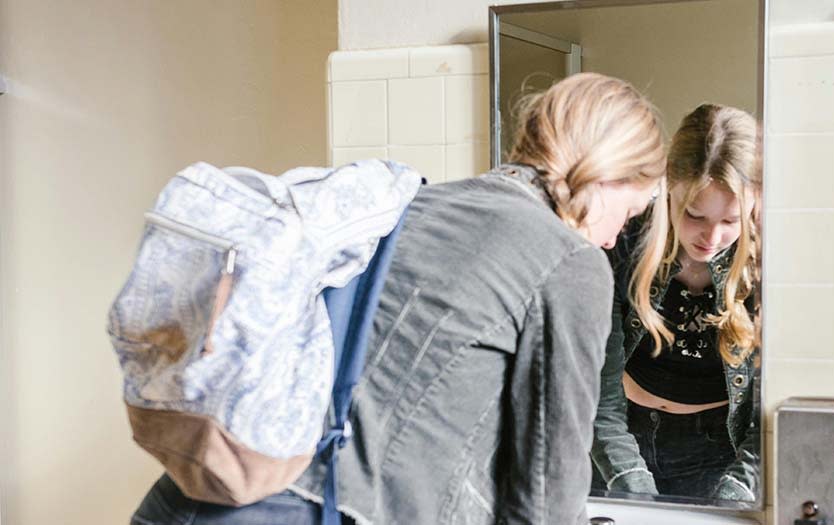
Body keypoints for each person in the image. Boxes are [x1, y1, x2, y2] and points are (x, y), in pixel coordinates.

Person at [131, 72, 670, 525]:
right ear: (606, 175)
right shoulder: (569, 260)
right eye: (629, 213)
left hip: (197, 495)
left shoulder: (409, 202)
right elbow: (548, 491)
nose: (612, 238)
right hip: (321, 512)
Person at [591, 103, 762, 503]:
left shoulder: (767, 262)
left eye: (730, 221)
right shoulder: (627, 240)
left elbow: (770, 410)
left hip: (716, 449)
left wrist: (738, 488)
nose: (711, 236)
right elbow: (598, 387)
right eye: (694, 215)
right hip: (617, 438)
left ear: (754, 203)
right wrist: (627, 475)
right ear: (669, 188)